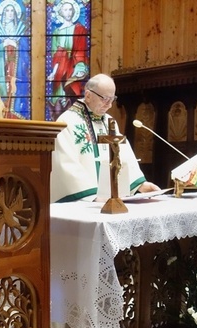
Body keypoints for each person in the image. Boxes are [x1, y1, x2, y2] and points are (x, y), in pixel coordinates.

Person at [50, 73, 160, 203]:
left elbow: (124, 156)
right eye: (105, 99)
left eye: (112, 99)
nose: (109, 105)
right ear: (88, 95)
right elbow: (65, 164)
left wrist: (140, 185)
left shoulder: (109, 122)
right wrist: (93, 196)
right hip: (83, 202)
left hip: (111, 200)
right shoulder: (67, 121)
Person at [47, 0, 89, 118]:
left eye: (70, 9)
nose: (68, 12)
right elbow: (56, 56)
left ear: (74, 11)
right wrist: (53, 73)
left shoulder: (80, 29)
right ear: (60, 12)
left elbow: (81, 51)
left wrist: (80, 68)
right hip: (60, 70)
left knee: (71, 93)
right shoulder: (56, 32)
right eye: (65, 9)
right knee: (59, 98)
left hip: (73, 67)